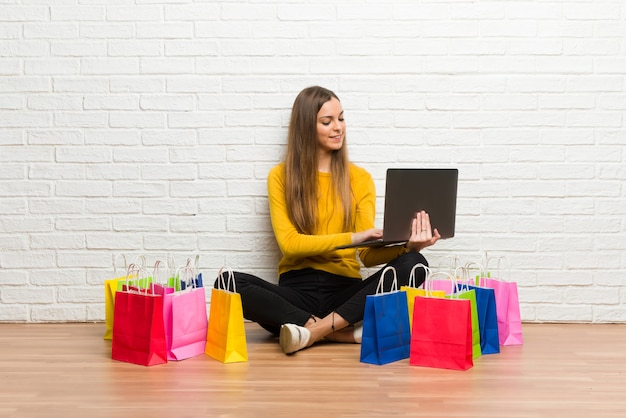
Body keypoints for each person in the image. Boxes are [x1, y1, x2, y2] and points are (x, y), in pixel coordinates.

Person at [217, 86, 440, 355]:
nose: (338, 128)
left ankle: (311, 332)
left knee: (416, 264)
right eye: (327, 121)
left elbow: (367, 257)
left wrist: (408, 248)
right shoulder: (280, 176)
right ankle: (340, 333)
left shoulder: (360, 179)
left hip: (344, 295)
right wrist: (355, 237)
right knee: (227, 282)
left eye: (341, 119)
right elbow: (290, 245)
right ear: (305, 127)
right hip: (296, 294)